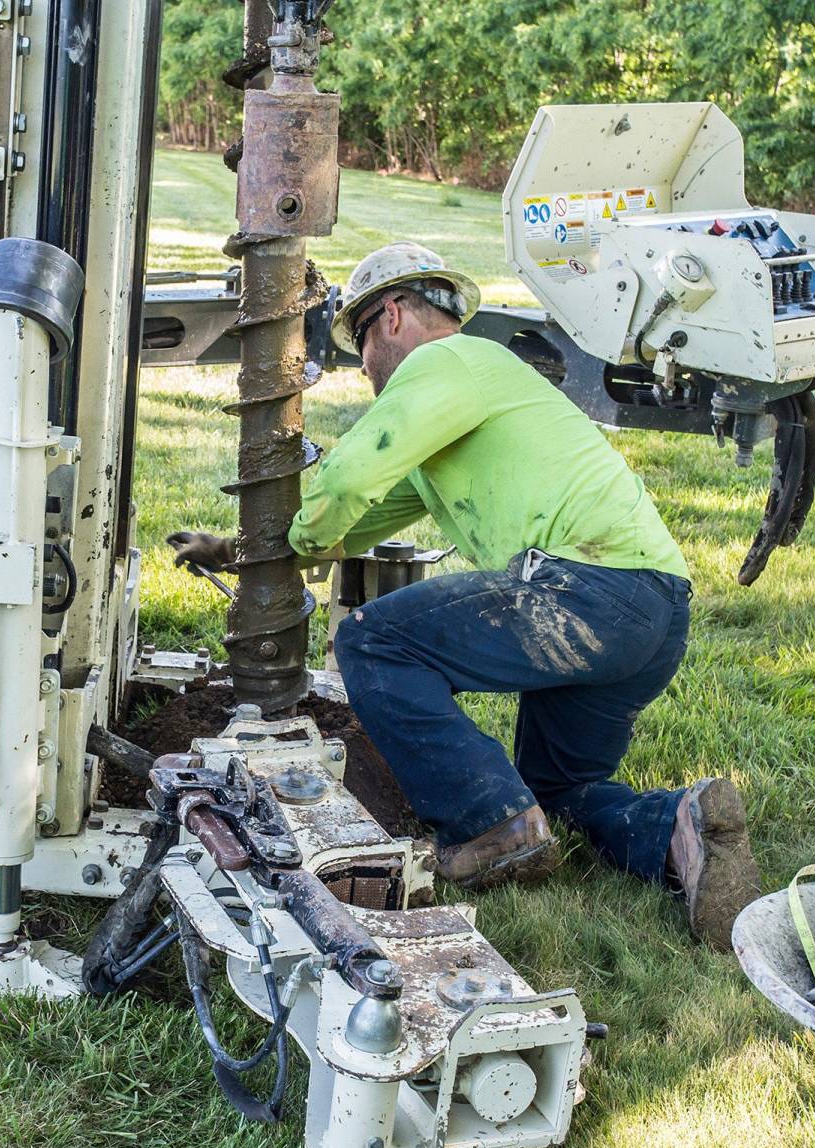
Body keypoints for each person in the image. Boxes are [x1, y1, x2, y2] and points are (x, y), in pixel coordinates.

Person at [169, 242, 760, 947]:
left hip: (585, 594)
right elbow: (347, 528)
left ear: (389, 316)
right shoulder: (477, 389)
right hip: (651, 611)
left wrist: (299, 518)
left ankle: (487, 824)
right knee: (562, 794)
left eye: (359, 345)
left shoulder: (444, 361)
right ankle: (678, 828)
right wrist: (243, 552)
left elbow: (347, 483)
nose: (364, 369)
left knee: (373, 640)